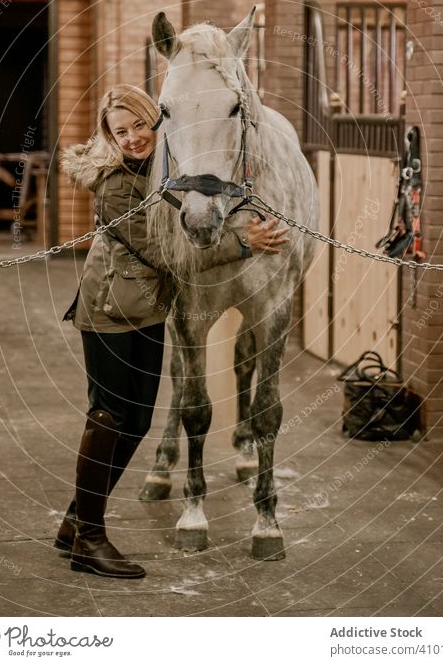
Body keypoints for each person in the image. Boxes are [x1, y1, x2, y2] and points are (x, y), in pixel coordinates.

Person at [57, 84, 289, 579]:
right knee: (108, 415)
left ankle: (75, 520)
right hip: (109, 313)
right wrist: (244, 243)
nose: (135, 137)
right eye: (121, 131)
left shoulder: (164, 172)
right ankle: (89, 539)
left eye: (141, 124)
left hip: (147, 311)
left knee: (137, 422)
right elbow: (166, 252)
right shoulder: (116, 184)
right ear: (109, 138)